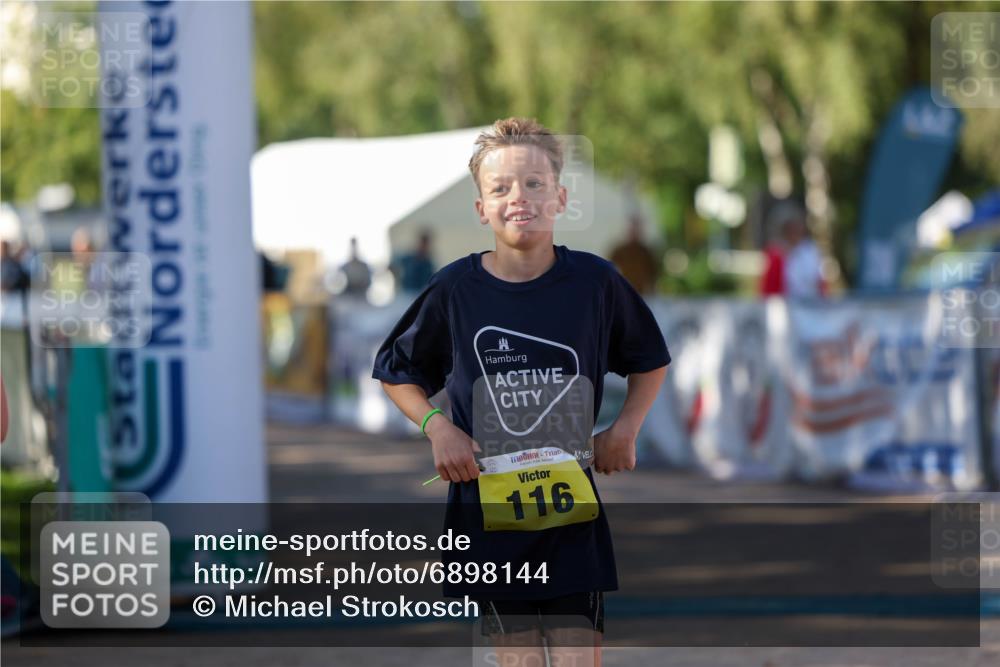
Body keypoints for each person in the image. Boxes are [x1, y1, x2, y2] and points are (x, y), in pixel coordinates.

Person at [372, 118, 669, 666]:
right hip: (488, 518)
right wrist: (438, 428)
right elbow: (396, 371)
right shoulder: (454, 289)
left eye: (534, 184)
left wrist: (625, 429)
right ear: (481, 207)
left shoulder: (595, 284)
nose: (519, 198)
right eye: (501, 188)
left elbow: (650, 361)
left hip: (571, 517)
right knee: (520, 661)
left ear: (560, 198)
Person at [758, 202, 825, 299]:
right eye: (791, 228)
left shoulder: (810, 250)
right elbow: (769, 289)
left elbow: (820, 283)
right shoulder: (776, 254)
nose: (795, 233)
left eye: (797, 228)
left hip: (812, 306)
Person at [608, 214, 660, 295]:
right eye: (632, 229)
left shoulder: (646, 252)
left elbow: (653, 274)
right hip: (623, 292)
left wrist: (652, 291)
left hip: (642, 294)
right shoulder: (619, 251)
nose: (635, 232)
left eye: (637, 229)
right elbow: (610, 270)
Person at [390, 229, 437, 293]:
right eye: (422, 243)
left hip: (420, 293)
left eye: (426, 243)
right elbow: (392, 266)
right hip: (406, 293)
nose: (424, 246)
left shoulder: (429, 262)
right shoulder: (408, 258)